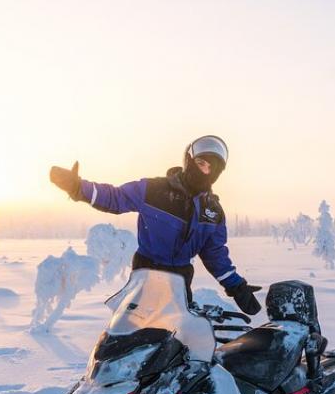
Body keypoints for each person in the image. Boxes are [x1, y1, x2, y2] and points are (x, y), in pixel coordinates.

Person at [49, 135, 262, 316]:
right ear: (189, 161)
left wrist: (236, 286)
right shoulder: (154, 190)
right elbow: (115, 197)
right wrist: (78, 187)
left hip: (180, 282)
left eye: (211, 168)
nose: (205, 171)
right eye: (201, 163)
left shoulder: (213, 212)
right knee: (132, 339)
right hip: (145, 278)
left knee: (178, 346)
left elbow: (215, 255)